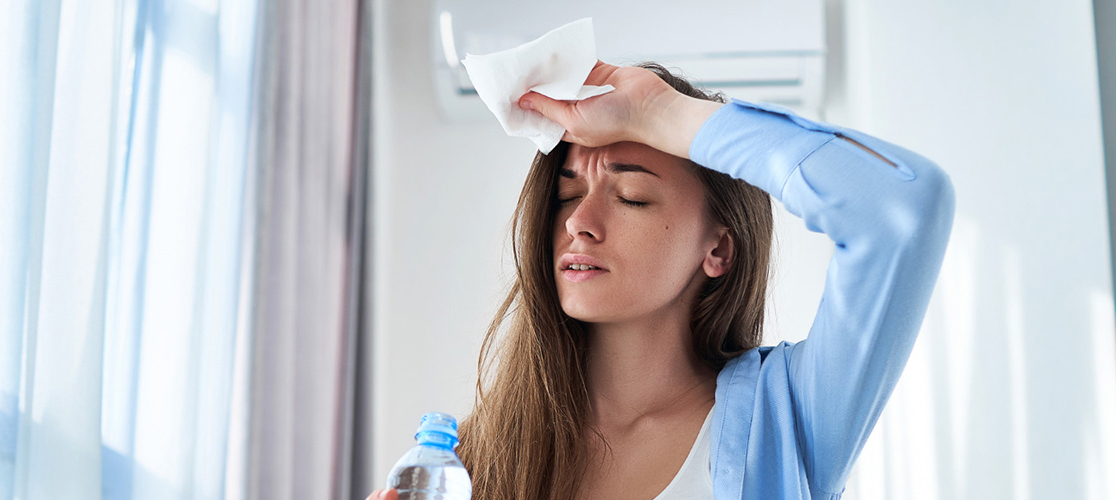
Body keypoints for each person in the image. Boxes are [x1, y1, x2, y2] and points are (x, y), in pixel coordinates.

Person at [367, 61, 955, 500]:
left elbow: (900, 206)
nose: (579, 222)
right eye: (568, 194)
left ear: (718, 249)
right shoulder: (481, 453)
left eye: (632, 197)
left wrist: (660, 112)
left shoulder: (784, 420)